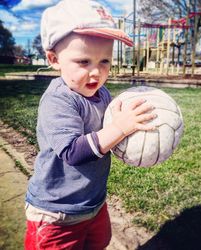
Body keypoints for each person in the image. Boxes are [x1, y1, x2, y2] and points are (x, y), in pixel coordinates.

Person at [24, 0, 157, 249]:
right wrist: (120, 129)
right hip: (57, 213)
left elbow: (111, 130)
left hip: (93, 203)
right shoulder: (59, 100)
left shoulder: (102, 93)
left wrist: (134, 133)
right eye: (84, 62)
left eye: (105, 61)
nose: (96, 72)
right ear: (54, 58)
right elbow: (73, 152)